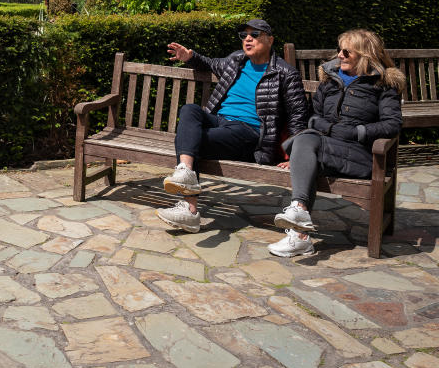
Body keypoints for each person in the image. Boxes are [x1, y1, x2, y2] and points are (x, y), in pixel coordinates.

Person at [157, 19, 309, 233]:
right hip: (220, 120)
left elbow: (297, 116)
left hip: (249, 132)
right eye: (244, 35)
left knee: (190, 141)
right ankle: (185, 171)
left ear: (270, 39)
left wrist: (295, 155)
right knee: (190, 110)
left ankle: (189, 210)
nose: (248, 39)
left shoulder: (285, 73)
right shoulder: (236, 60)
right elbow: (210, 63)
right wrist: (190, 57)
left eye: (255, 34)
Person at [269, 29, 404, 257]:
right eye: (339, 50)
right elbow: (312, 117)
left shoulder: (383, 85)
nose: (339, 55)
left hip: (362, 157)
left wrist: (357, 131)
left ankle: (299, 227)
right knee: (305, 145)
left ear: (364, 55)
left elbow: (392, 125)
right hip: (327, 150)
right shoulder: (330, 80)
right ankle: (300, 231)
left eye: (346, 52)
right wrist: (310, 148)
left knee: (305, 142)